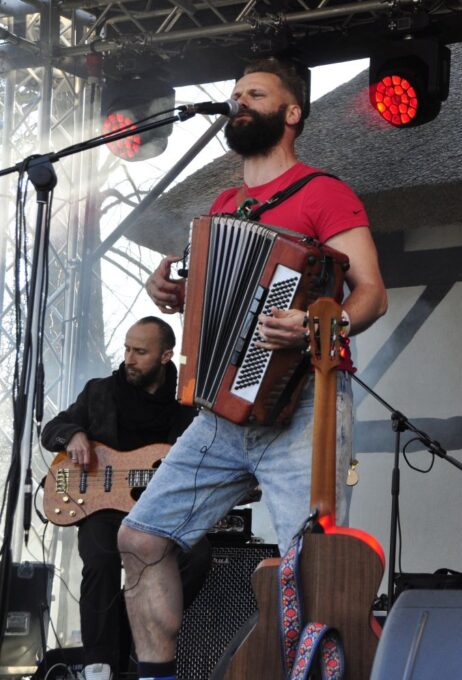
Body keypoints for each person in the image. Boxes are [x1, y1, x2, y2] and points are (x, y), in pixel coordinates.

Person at [118, 57, 388, 680]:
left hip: (305, 407)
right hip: (224, 412)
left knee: (314, 574)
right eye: (235, 92)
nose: (238, 101)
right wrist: (174, 293)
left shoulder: (326, 192)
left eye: (255, 93)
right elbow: (219, 298)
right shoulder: (225, 203)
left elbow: (371, 292)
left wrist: (320, 322)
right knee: (140, 539)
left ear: (291, 113)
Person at [40, 318, 210, 680]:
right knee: (100, 558)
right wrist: (72, 435)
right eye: (127, 349)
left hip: (160, 511)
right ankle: (98, 665)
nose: (129, 358)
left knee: (198, 557)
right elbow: (51, 428)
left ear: (166, 356)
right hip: (102, 509)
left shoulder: (186, 404)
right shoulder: (100, 392)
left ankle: (138, 639)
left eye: (140, 352)